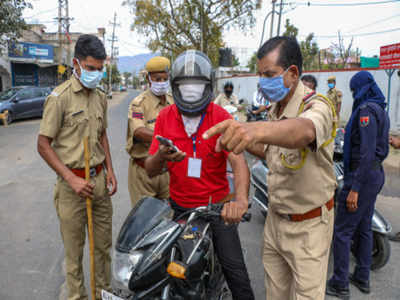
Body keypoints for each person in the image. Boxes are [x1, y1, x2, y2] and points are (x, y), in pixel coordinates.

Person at [202, 36, 337, 300]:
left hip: (308, 227)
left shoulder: (317, 105)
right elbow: (271, 151)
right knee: (275, 294)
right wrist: (237, 138)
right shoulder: (276, 108)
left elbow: (303, 132)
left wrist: (254, 129)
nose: (263, 81)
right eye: (260, 75)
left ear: (293, 72)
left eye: (270, 74)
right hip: (275, 221)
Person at [145, 50, 255, 300]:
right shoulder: (165, 116)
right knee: (169, 272)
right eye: (185, 86)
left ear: (208, 86)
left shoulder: (221, 116)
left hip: (216, 209)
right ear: (176, 87)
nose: (191, 92)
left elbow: (239, 163)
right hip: (180, 209)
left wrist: (240, 201)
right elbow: (150, 169)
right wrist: (161, 155)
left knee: (236, 272)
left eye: (197, 85)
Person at [37, 34, 117, 300]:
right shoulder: (59, 98)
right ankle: (77, 297)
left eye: (99, 69)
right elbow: (43, 144)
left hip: (99, 183)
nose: (95, 73)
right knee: (75, 253)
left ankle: (102, 294)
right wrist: (70, 178)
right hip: (72, 188)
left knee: (103, 248)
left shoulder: (100, 97)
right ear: (76, 63)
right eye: (91, 68)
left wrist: (111, 171)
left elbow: (102, 135)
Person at [326, 71, 390, 299]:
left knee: (342, 231)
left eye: (355, 90)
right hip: (373, 174)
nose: (354, 94)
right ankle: (362, 276)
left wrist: (354, 189)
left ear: (362, 88)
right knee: (363, 227)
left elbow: (366, 153)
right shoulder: (379, 107)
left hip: (362, 176)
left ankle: (340, 283)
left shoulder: (365, 112)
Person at [125, 56, 173, 206]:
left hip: (167, 172)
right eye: (157, 79)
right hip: (144, 172)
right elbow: (138, 131)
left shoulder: (173, 102)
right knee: (144, 221)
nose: (161, 83)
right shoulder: (139, 104)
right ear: (148, 79)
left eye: (165, 79)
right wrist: (168, 138)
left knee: (170, 219)